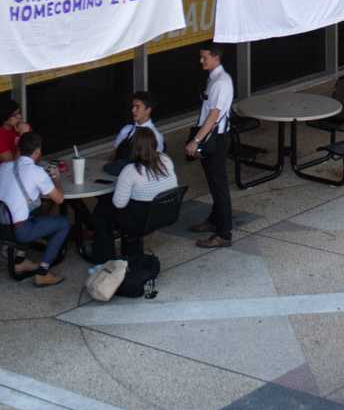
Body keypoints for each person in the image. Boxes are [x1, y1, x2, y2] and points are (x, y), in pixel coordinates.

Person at [89, 127, 181, 262]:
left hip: (140, 220)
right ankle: (126, 249)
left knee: (101, 212)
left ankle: (104, 258)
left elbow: (119, 204)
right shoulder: (165, 159)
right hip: (165, 214)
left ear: (134, 148)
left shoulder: (130, 170)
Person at [0, 132, 67, 285]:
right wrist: (57, 179)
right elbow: (59, 199)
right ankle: (43, 272)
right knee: (63, 224)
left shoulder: (4, 166)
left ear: (18, 149)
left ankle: (19, 262)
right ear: (37, 152)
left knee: (36, 209)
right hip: (19, 230)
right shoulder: (37, 172)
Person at [184, 46, 235, 249]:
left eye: (204, 57)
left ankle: (224, 233)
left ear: (215, 57)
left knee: (219, 186)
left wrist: (196, 140)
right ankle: (215, 220)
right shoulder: (214, 79)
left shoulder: (221, 83)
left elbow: (213, 116)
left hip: (216, 139)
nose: (201, 61)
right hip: (213, 137)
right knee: (214, 183)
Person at [101, 93, 164, 179]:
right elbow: (113, 154)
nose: (133, 110)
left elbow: (154, 164)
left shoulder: (155, 136)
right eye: (133, 106)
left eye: (137, 107)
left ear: (148, 110)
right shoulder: (126, 130)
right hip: (115, 175)